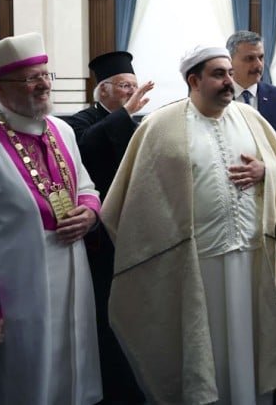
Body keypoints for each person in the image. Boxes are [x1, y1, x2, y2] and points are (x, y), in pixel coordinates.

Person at [101, 46, 276, 404]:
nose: (229, 81)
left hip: (252, 260)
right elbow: (133, 200)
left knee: (251, 346)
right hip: (196, 266)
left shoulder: (250, 118)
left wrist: (266, 171)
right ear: (194, 80)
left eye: (229, 72)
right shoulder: (160, 127)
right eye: (218, 74)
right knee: (205, 352)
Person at [0, 33, 102, 403]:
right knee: (26, 380)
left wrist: (89, 213)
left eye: (45, 76)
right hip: (18, 286)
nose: (43, 85)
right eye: (29, 79)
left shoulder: (61, 129)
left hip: (73, 274)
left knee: (73, 372)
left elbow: (86, 186)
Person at [65, 51, 153, 404]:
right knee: (105, 310)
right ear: (103, 89)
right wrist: (126, 113)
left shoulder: (137, 124)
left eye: (134, 86)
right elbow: (87, 145)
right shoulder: (78, 122)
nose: (132, 92)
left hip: (136, 227)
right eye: (124, 86)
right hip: (99, 233)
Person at [227, 30, 276, 169]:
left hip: (271, 181)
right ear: (230, 61)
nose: (258, 65)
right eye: (249, 59)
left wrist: (267, 171)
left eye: (261, 57)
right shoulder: (218, 99)